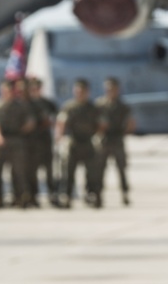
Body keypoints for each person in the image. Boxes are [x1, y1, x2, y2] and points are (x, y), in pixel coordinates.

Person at [56, 78, 103, 208]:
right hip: (73, 142)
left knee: (92, 172)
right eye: (77, 90)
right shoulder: (69, 107)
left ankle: (91, 195)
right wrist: (60, 138)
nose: (79, 93)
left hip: (88, 142)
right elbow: (61, 123)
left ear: (87, 92)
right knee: (68, 171)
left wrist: (97, 137)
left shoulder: (93, 108)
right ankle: (67, 195)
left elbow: (100, 124)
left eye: (82, 91)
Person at [0, 79, 35, 208]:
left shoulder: (20, 105)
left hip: (17, 140)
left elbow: (30, 122)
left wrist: (19, 132)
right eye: (4, 90)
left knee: (19, 171)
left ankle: (20, 197)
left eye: (9, 90)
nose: (7, 93)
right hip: (2, 141)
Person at [96, 77, 135, 206]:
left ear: (117, 90)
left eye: (112, 88)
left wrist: (124, 132)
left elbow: (130, 123)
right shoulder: (100, 104)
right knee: (100, 169)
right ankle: (98, 195)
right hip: (104, 140)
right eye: (108, 88)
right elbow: (94, 121)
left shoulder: (123, 106)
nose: (110, 91)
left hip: (117, 139)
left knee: (121, 169)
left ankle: (125, 195)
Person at [26, 77, 59, 207]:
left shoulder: (48, 103)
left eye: (37, 88)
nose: (35, 91)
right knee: (32, 172)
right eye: (33, 88)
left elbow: (56, 120)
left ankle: (52, 195)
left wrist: (51, 125)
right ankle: (33, 197)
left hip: (45, 141)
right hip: (32, 143)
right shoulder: (27, 104)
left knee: (49, 171)